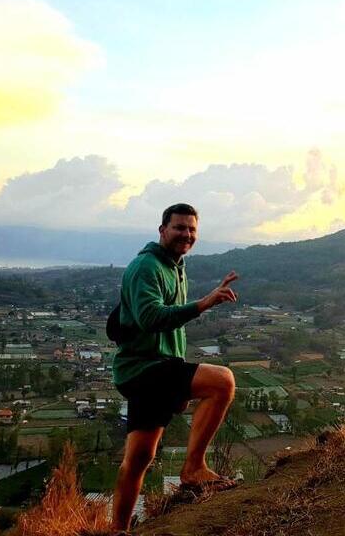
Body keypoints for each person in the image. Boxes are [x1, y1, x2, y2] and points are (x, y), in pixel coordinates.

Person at [111, 203, 239, 533]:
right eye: (179, 227)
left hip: (155, 368)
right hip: (144, 369)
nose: (186, 234)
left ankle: (117, 530)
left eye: (192, 229)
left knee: (138, 459)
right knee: (222, 381)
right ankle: (194, 467)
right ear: (162, 230)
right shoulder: (147, 266)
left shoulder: (176, 266)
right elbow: (151, 318)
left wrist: (179, 376)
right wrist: (203, 303)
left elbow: (173, 329)